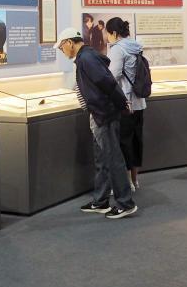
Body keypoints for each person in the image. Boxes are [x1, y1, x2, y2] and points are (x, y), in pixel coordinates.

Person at [57, 26, 137, 219]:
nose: (62, 51)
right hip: (99, 114)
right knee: (102, 159)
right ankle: (101, 201)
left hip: (104, 114)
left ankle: (125, 203)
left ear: (70, 43)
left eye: (61, 47)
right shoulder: (85, 57)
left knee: (113, 158)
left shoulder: (86, 58)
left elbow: (108, 82)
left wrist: (122, 103)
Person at [105, 17, 146, 191]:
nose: (107, 38)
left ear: (114, 33)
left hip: (125, 104)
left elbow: (112, 76)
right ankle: (135, 180)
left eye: (108, 34)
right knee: (136, 141)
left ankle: (127, 183)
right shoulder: (136, 46)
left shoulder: (117, 50)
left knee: (124, 143)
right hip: (139, 102)